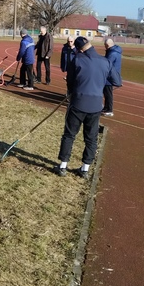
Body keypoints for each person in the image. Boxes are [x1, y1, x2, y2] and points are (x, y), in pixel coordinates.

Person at [54, 36, 122, 179]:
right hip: (95, 106)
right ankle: (85, 169)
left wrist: (73, 91)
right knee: (91, 138)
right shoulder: (105, 61)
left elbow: (70, 82)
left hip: (77, 103)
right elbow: (117, 81)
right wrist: (100, 79)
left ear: (79, 49)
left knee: (69, 135)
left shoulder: (77, 60)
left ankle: (63, 166)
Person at [102, 38, 123, 117]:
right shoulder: (114, 52)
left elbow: (107, 64)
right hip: (111, 75)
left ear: (107, 45)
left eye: (105, 45)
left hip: (110, 76)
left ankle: (109, 110)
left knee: (108, 94)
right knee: (106, 93)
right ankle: (106, 107)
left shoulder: (112, 54)